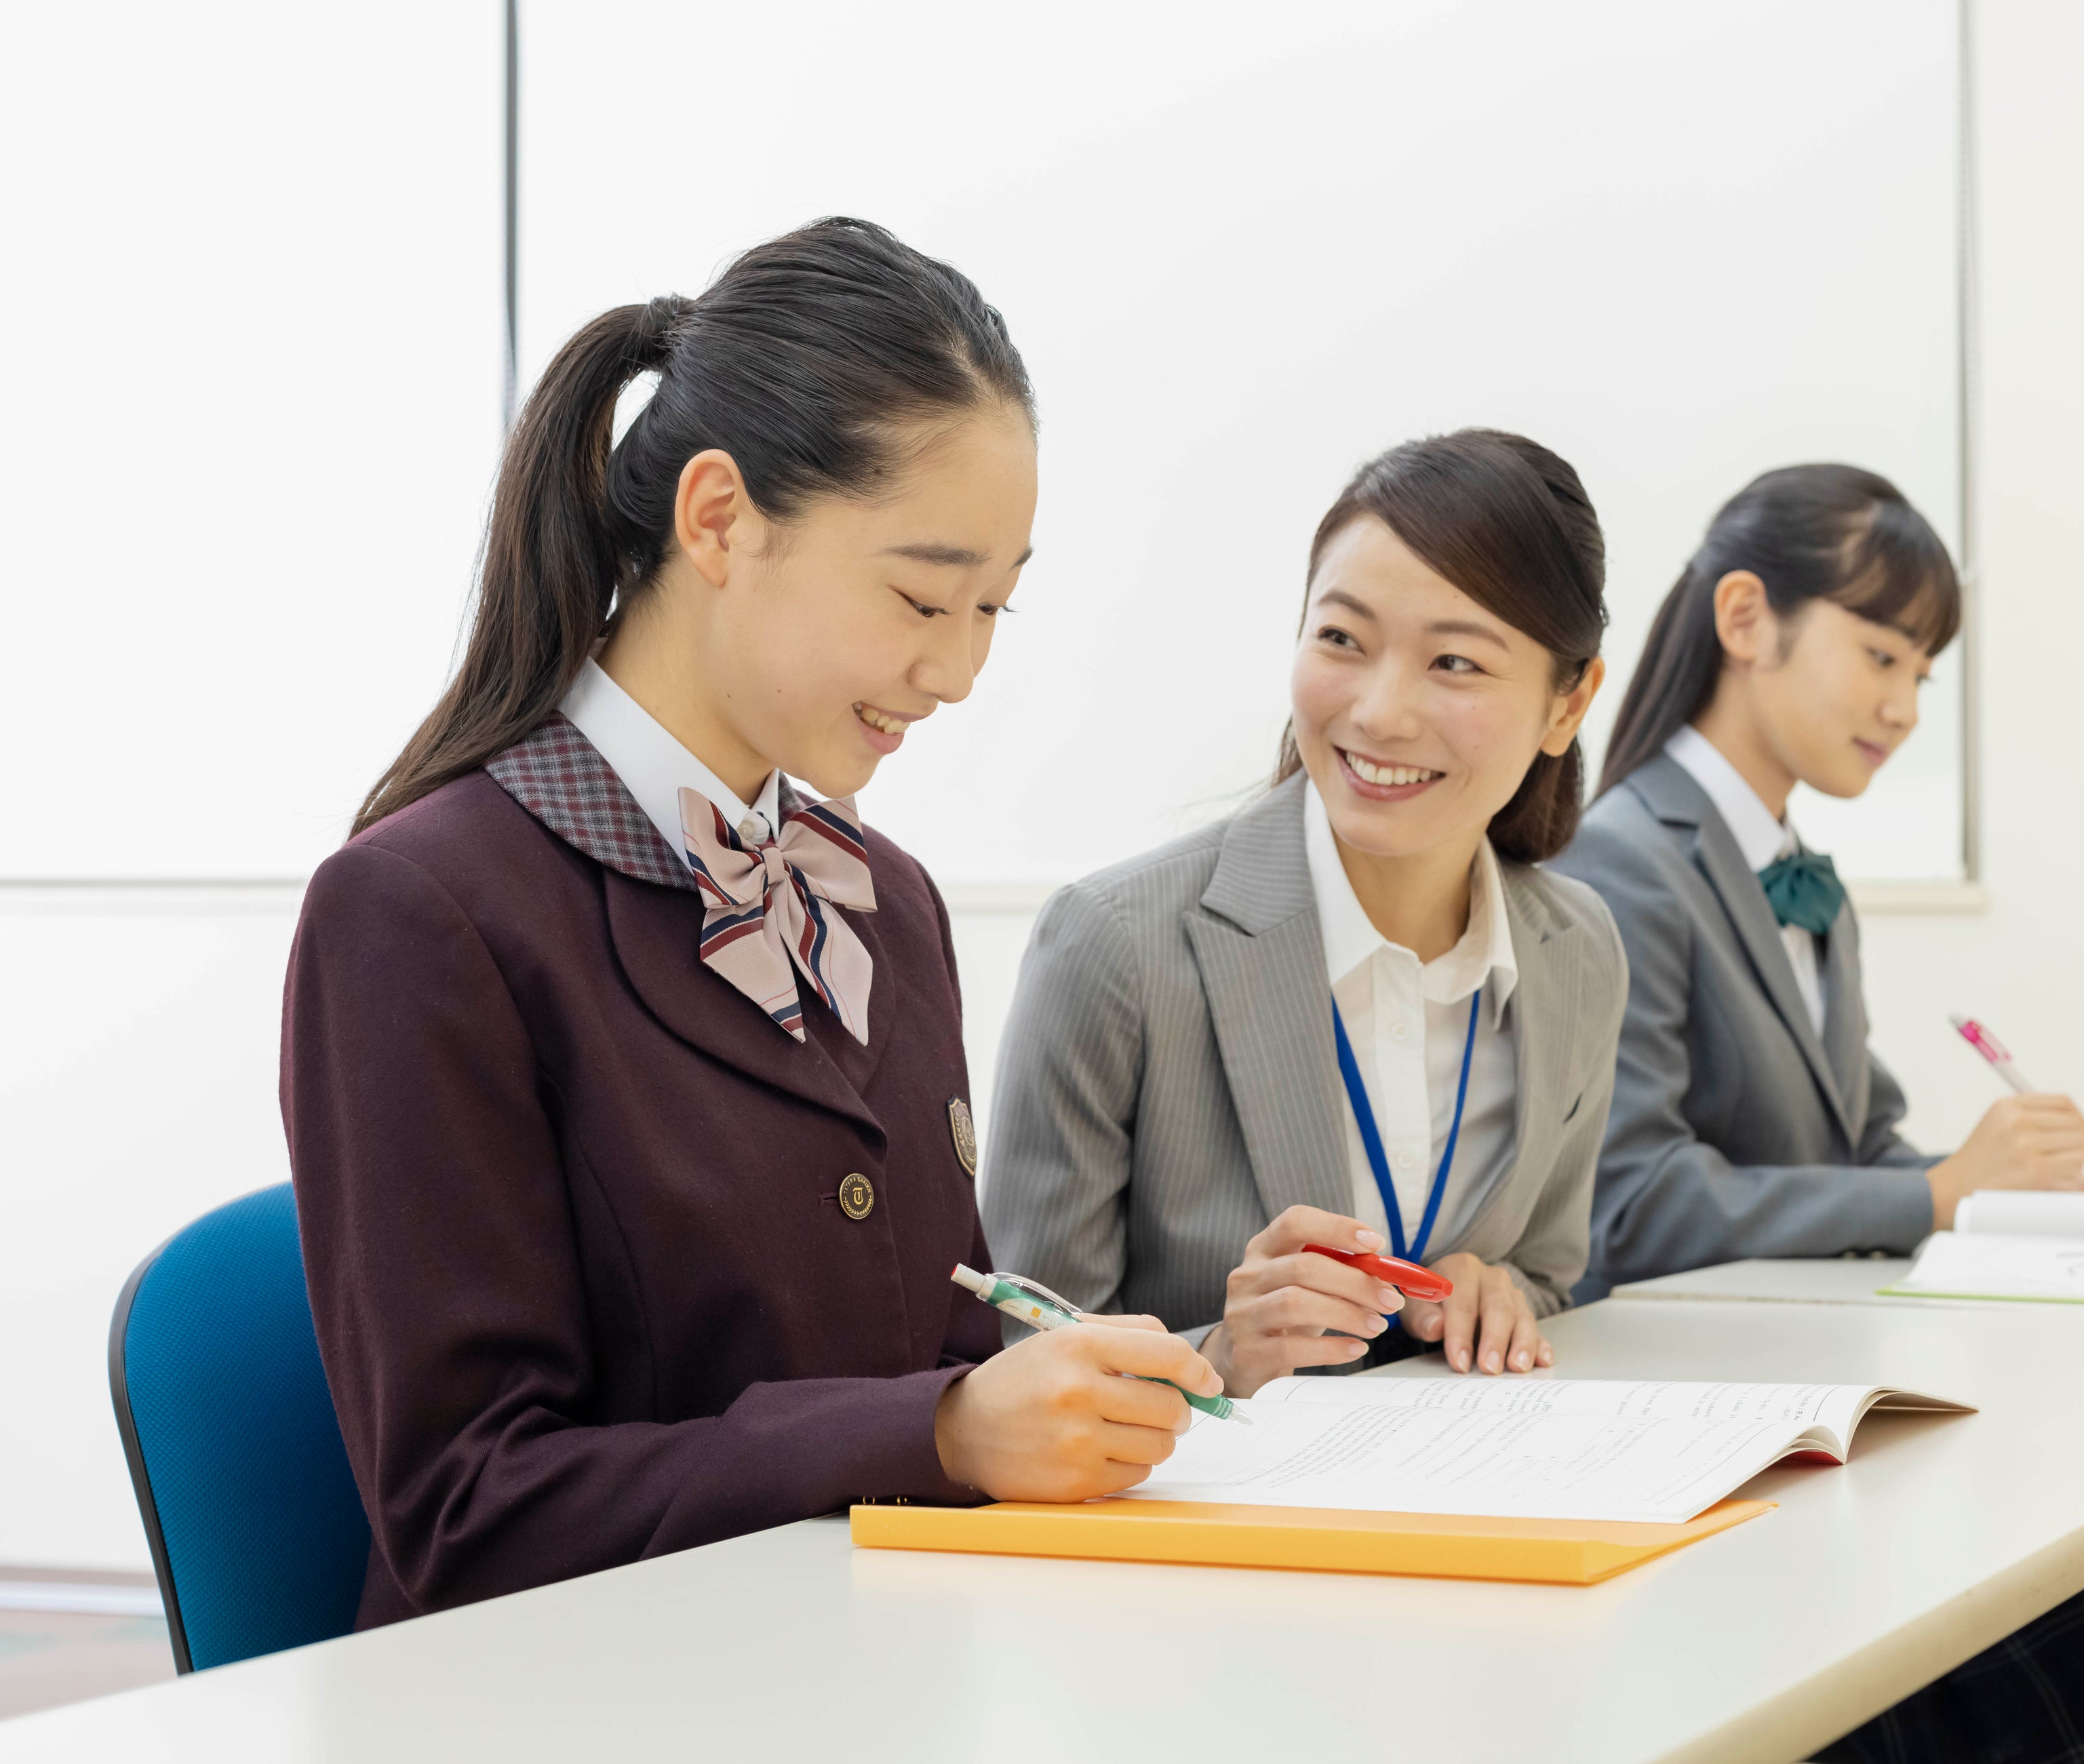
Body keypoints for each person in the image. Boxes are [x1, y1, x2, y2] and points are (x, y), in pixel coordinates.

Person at [282, 218, 1223, 1628]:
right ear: (718, 519)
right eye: (920, 595)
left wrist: (1099, 1381)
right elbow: (466, 1507)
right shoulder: (423, 913)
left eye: (992, 610)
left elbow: (940, 1337)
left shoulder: (880, 901)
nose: (957, 669)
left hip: (868, 1666)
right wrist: (944, 1431)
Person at [1552, 463, 2084, 1763]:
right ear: (1748, 618)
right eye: (1882, 654)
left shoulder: (1807, 879)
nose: (1906, 705)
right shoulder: (1624, 859)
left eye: (1924, 673)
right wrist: (1939, 1191)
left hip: (1824, 1402)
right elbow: (1631, 1204)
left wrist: (2005, 1199)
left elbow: (1859, 1144)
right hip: (1707, 1437)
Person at [985, 429, 1627, 1392]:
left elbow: (1550, 1270)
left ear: (1567, 705)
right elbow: (1023, 1355)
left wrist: (1501, 1293)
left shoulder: (1577, 950)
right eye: (1342, 639)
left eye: (1455, 662)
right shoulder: (1116, 943)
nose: (1379, 711)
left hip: (1476, 1512)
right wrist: (1218, 1358)